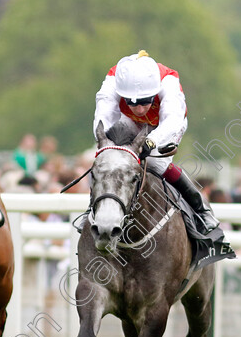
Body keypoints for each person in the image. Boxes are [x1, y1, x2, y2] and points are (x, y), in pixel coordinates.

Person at [93, 50, 219, 233]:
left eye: (145, 101)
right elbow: (103, 119)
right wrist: (107, 145)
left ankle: (201, 209)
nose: (139, 109)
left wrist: (151, 142)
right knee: (112, 161)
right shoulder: (113, 81)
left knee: (155, 163)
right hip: (129, 122)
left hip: (166, 124)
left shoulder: (168, 81)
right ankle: (95, 212)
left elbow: (172, 120)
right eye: (132, 102)